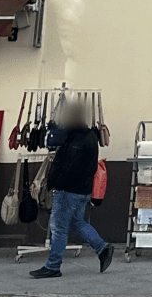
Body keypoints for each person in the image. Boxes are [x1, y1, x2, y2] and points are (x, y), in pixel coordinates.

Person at [29, 102, 113, 279]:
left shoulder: (74, 138)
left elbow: (68, 166)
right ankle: (102, 248)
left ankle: (53, 266)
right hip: (82, 189)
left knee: (58, 227)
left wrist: (54, 183)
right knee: (76, 222)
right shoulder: (90, 135)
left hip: (68, 190)